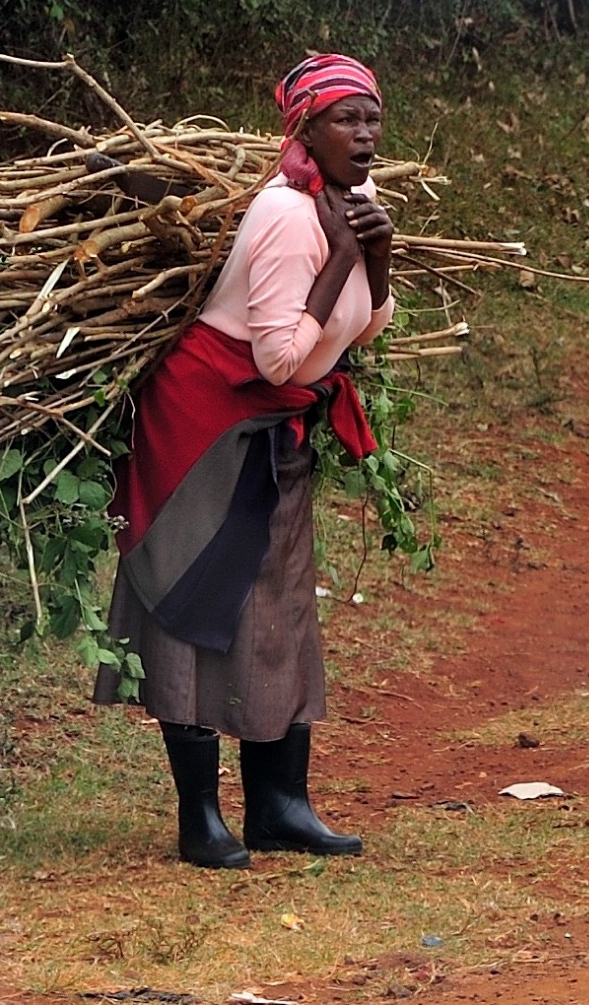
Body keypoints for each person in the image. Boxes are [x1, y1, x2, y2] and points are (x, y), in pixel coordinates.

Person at [93, 54, 396, 867]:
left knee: (282, 604)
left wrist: (378, 254)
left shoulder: (356, 200)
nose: (364, 134)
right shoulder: (286, 218)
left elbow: (362, 327)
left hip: (275, 427)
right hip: (207, 430)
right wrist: (338, 257)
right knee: (199, 600)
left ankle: (279, 806)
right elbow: (278, 360)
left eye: (372, 117)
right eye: (346, 118)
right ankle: (201, 819)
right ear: (304, 128)